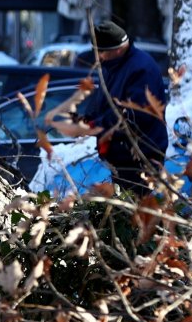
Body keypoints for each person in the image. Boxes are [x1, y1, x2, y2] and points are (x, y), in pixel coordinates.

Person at [50, 20, 169, 194]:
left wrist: (96, 125)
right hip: (121, 156)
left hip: (140, 156)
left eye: (101, 52)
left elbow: (136, 115)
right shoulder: (113, 66)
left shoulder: (141, 69)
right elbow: (105, 103)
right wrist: (86, 119)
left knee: (136, 209)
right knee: (124, 208)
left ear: (118, 49)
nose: (98, 58)